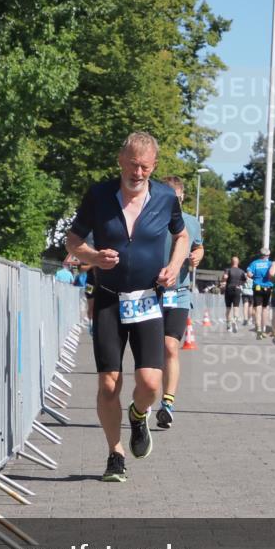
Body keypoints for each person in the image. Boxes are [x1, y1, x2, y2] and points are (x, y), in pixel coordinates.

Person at [66, 132, 189, 482]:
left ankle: (138, 415)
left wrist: (175, 265)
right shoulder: (99, 195)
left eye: (145, 167)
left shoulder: (165, 197)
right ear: (121, 159)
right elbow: (73, 240)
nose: (138, 172)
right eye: (133, 164)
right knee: (108, 384)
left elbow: (181, 236)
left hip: (148, 299)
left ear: (154, 167)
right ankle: (114, 453)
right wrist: (92, 256)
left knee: (151, 383)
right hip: (107, 297)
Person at [156, 176, 204, 430]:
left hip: (180, 292)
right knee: (150, 351)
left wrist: (197, 254)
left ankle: (167, 403)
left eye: (175, 198)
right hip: (149, 292)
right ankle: (143, 398)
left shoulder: (192, 222)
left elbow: (199, 246)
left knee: (170, 346)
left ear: (182, 198)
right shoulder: (150, 218)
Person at [246, 248, 273, 339]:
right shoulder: (270, 264)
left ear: (260, 254)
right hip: (268, 287)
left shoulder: (254, 263)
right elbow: (273, 274)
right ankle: (264, 329)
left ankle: (258, 329)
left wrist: (255, 278)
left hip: (257, 287)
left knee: (258, 307)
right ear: (268, 255)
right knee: (265, 309)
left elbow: (249, 274)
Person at [219, 255, 247, 333]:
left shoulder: (228, 269)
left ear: (231, 262)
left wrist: (222, 280)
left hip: (228, 289)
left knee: (228, 308)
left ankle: (228, 326)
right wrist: (240, 284)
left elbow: (225, 277)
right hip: (237, 289)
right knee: (236, 308)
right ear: (238, 262)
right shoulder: (241, 271)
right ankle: (235, 320)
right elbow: (245, 280)